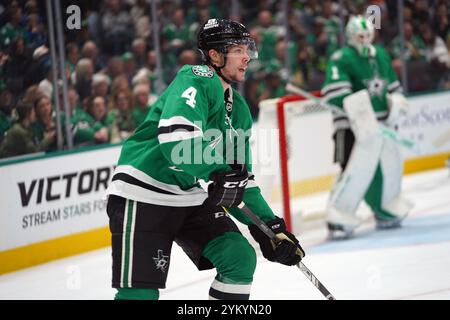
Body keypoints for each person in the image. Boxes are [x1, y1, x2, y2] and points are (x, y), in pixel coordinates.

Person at [105, 18, 305, 300]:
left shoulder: (239, 111)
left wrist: (269, 228)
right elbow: (176, 141)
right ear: (214, 55)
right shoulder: (196, 77)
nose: (247, 56)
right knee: (141, 293)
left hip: (186, 194)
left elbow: (240, 182)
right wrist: (218, 172)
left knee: (239, 258)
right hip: (142, 191)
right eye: (237, 49)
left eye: (247, 49)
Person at [320, 15, 414, 240]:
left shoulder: (380, 54)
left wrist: (396, 103)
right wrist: (359, 112)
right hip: (352, 127)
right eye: (359, 36)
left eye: (367, 35)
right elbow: (335, 93)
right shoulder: (341, 58)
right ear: (351, 36)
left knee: (387, 168)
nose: (364, 39)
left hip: (382, 125)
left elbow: (392, 86)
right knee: (352, 169)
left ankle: (385, 208)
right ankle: (339, 215)